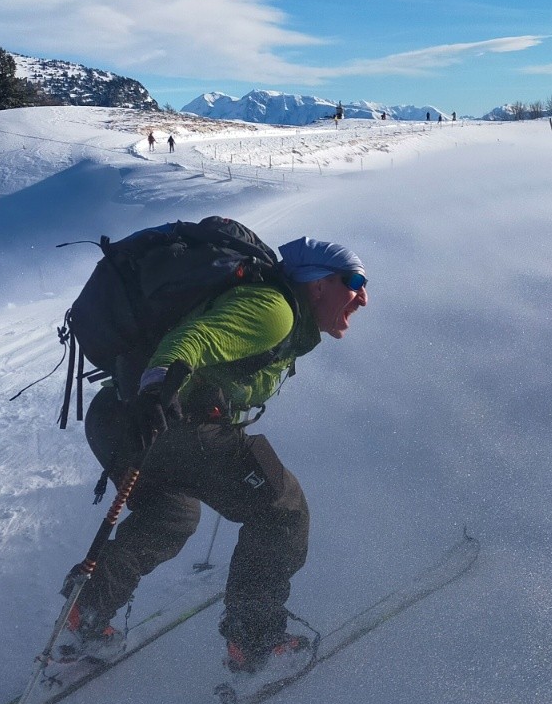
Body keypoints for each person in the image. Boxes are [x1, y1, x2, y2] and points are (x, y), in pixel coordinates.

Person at [54, 237, 370, 676]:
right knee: (281, 509)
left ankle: (86, 614)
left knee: (171, 516)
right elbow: (193, 339)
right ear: (317, 284)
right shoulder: (275, 311)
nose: (363, 296)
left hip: (114, 418)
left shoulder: (284, 316)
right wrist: (158, 386)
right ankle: (256, 644)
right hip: (158, 417)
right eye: (353, 281)